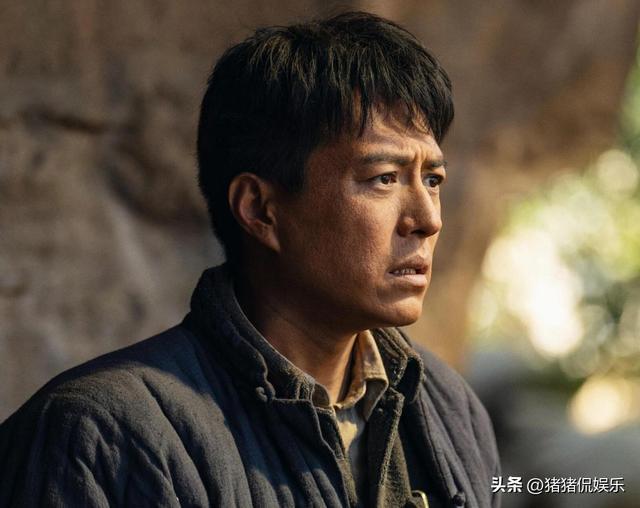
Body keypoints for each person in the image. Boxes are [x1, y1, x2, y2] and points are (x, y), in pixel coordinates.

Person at [0, 11, 500, 508]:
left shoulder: (448, 409)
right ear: (260, 209)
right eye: (384, 179)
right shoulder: (96, 439)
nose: (427, 219)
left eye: (432, 179)